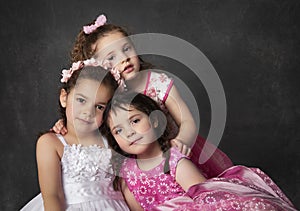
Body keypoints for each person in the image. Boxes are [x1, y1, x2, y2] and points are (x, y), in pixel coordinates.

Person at [53, 14, 233, 178]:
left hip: (172, 158)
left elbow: (187, 121)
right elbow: (92, 124)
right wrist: (68, 125)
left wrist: (181, 142)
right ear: (97, 67)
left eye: (126, 48)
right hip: (135, 168)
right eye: (111, 57)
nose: (124, 58)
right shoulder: (105, 97)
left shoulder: (157, 82)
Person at [101, 92, 297, 211]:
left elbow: (208, 198)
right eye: (118, 130)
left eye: (135, 121)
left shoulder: (173, 160)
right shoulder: (126, 171)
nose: (129, 133)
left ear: (154, 121)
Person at [21, 61, 129, 210]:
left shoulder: (112, 140)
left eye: (99, 107)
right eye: (81, 100)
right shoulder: (50, 143)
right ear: (64, 98)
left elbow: (125, 186)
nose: (88, 112)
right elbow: (53, 195)